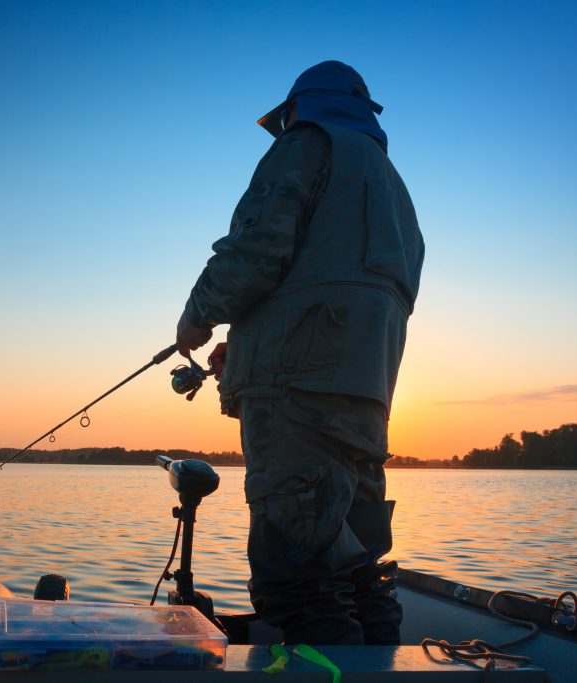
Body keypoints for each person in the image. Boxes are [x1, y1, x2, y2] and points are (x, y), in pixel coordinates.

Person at [175, 61, 424, 646]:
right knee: (359, 571)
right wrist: (249, 344)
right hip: (366, 399)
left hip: (295, 397)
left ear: (297, 110)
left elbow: (257, 248)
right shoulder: (392, 183)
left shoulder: (305, 145)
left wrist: (199, 313)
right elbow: (337, 284)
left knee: (297, 579)